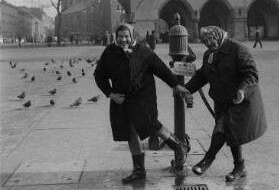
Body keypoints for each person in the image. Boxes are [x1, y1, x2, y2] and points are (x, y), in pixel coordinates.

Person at [94, 23, 189, 183]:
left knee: (150, 124)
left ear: (132, 36)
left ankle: (178, 145)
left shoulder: (143, 51)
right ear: (116, 37)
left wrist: (176, 84)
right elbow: (99, 76)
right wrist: (111, 94)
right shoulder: (110, 52)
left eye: (126, 36)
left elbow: (161, 69)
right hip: (122, 99)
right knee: (129, 132)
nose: (123, 40)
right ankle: (139, 171)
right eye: (120, 37)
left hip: (142, 97)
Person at [176, 26, 267, 182]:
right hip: (222, 101)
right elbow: (202, 75)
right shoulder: (209, 55)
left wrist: (242, 91)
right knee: (230, 133)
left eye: (211, 38)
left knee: (223, 129)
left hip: (240, 100)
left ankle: (207, 160)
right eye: (205, 41)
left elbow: (251, 74)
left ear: (218, 35)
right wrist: (186, 89)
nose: (208, 43)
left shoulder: (237, 49)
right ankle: (240, 167)